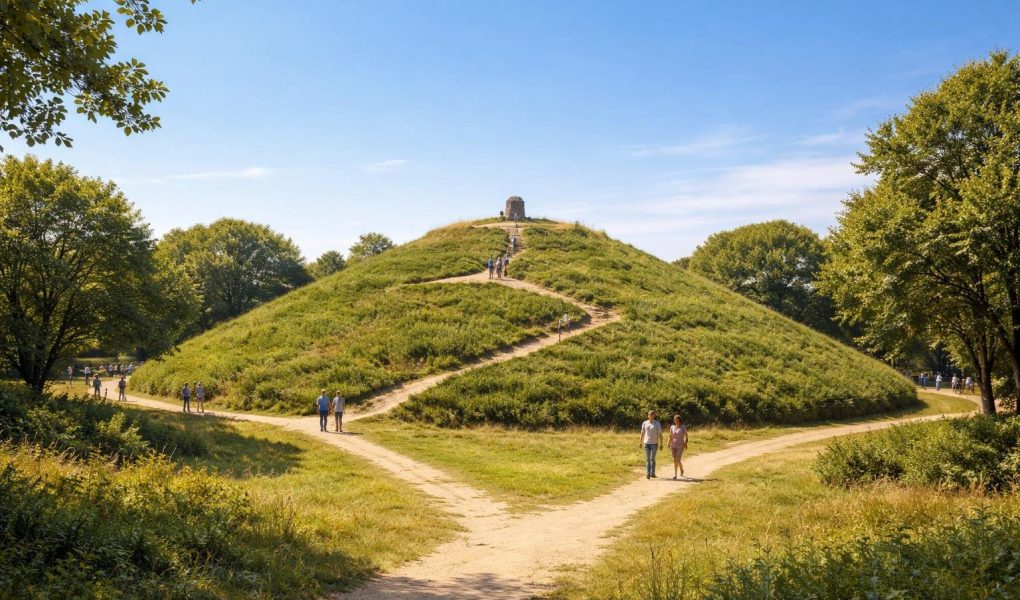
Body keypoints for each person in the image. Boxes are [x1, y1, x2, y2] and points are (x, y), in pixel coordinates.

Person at [639, 410, 663, 479]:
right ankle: (648, 473)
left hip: (654, 444)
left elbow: (660, 434)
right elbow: (642, 433)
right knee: (647, 459)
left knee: (652, 459)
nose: (651, 416)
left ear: (654, 416)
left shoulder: (657, 423)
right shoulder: (644, 423)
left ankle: (653, 473)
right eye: (650, 415)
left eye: (652, 415)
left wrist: (661, 444)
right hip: (646, 443)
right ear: (648, 416)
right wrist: (640, 442)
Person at [668, 414, 688, 479]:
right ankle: (681, 469)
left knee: (677, 459)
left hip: (680, 445)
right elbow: (670, 436)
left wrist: (685, 443)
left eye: (677, 420)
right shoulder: (672, 427)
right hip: (673, 445)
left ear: (679, 420)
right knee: (675, 460)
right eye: (675, 420)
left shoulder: (683, 427)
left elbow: (686, 436)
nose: (676, 421)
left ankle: (675, 474)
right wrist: (668, 443)